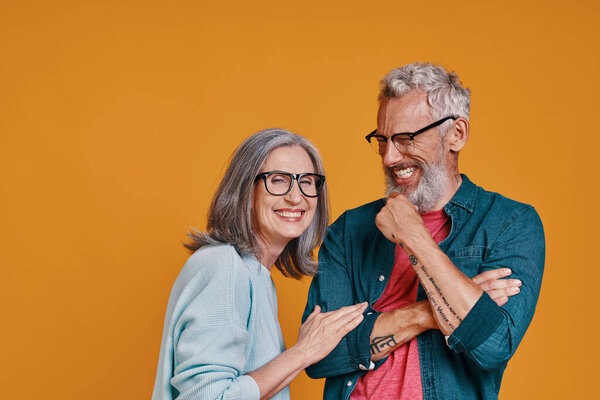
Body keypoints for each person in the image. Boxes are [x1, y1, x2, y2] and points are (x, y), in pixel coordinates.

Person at [303, 62, 545, 399]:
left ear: (456, 134)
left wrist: (414, 236)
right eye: (382, 140)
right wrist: (429, 314)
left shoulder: (509, 223)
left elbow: (492, 345)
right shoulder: (349, 229)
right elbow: (319, 356)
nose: (389, 157)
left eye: (405, 139)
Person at [152, 128, 368, 400]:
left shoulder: (257, 276)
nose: (295, 196)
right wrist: (303, 352)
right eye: (278, 180)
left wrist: (304, 353)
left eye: (307, 181)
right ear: (246, 190)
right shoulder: (225, 267)